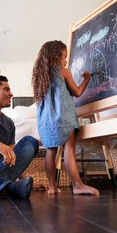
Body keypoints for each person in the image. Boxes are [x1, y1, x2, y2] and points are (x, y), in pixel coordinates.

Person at [32, 40, 99, 196]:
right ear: (56, 56)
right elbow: (77, 92)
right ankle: (77, 185)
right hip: (63, 118)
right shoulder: (64, 72)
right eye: (64, 56)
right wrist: (87, 79)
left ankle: (52, 187)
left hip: (46, 122)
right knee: (69, 148)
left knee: (51, 151)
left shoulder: (39, 77)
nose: (66, 60)